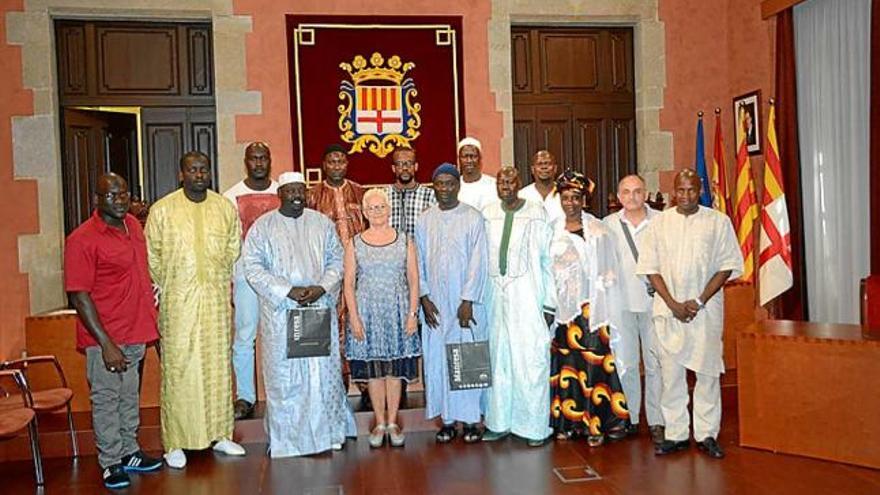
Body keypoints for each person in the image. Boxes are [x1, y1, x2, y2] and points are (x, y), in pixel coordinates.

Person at [242, 172, 356, 457]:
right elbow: (253, 268)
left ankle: (328, 433)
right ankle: (289, 440)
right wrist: (287, 291)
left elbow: (337, 259)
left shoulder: (321, 223)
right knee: (286, 377)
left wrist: (322, 287)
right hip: (282, 314)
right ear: (279, 194)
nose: (296, 196)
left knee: (321, 375)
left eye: (300, 190)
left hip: (317, 309)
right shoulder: (262, 227)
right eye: (290, 191)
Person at [145, 151, 245, 469]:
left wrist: (211, 278)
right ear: (181, 174)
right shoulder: (162, 211)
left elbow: (233, 247)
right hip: (178, 303)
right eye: (192, 169)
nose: (199, 174)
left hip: (215, 300)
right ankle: (175, 442)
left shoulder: (223, 207)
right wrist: (175, 284)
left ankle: (220, 435)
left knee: (216, 367)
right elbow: (153, 257)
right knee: (180, 370)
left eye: (203, 169)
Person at [636, 169, 743, 459]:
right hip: (668, 309)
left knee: (707, 373)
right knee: (671, 375)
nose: (685, 196)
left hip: (705, 311)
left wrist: (699, 300)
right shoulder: (658, 225)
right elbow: (650, 267)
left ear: (700, 190)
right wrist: (672, 303)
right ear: (673, 192)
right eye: (680, 190)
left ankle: (707, 433)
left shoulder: (718, 222)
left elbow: (727, 265)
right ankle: (676, 433)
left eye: (691, 190)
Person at [65, 173, 162, 489]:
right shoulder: (82, 239)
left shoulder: (133, 225)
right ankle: (110, 462)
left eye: (124, 194)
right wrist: (105, 343)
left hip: (135, 329)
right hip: (105, 336)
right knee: (106, 398)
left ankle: (129, 450)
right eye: (112, 195)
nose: (120, 200)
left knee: (128, 396)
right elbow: (79, 295)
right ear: (97, 199)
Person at [548, 170, 629, 447]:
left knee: (594, 365)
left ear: (584, 200)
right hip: (563, 312)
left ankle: (596, 424)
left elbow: (610, 270)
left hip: (592, 310)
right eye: (566, 197)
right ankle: (569, 425)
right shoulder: (552, 230)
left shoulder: (598, 230)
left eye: (576, 198)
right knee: (568, 366)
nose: (570, 203)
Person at [481, 167, 556, 447]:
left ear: (519, 183)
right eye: (501, 181)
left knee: (530, 361)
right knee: (498, 359)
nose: (506, 186)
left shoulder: (536, 212)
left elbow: (547, 261)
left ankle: (534, 427)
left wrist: (549, 303)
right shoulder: (488, 213)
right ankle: (498, 422)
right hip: (495, 297)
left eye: (511, 181)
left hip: (529, 297)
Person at [416, 163, 489, 444]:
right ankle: (446, 419)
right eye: (440, 184)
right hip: (434, 304)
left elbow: (478, 261)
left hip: (463, 305)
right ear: (433, 187)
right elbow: (418, 260)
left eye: (450, 183)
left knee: (466, 357)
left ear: (458, 185)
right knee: (437, 360)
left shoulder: (473, 217)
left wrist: (468, 299)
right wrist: (423, 297)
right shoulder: (424, 220)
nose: (445, 189)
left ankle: (470, 420)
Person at [344, 188, 421, 448]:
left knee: (394, 371)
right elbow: (348, 285)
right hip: (367, 314)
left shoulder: (405, 240)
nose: (377, 211)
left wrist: (412, 314)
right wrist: (354, 317)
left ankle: (392, 422)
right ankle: (378, 423)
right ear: (364, 212)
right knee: (376, 372)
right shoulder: (354, 243)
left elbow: (413, 280)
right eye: (371, 208)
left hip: (398, 313)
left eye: (381, 207)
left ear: (389, 210)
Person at [602, 174, 664, 444]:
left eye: (637, 191)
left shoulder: (662, 222)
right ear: (618, 197)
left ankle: (657, 420)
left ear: (646, 193)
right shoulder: (607, 225)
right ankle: (631, 418)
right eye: (626, 192)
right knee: (626, 364)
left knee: (655, 364)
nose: (632, 197)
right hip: (622, 305)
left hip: (655, 304)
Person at [223, 142, 280, 421]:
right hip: (245, 275)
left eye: (263, 158)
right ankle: (245, 396)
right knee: (245, 336)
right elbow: (228, 241)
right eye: (253, 158)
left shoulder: (282, 191)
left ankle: (279, 392)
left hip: (278, 278)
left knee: (279, 335)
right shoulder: (231, 196)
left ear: (269, 160)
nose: (258, 163)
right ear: (246, 162)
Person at [308, 143, 367, 393]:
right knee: (332, 326)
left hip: (359, 272)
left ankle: (364, 382)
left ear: (347, 164)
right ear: (324, 165)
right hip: (326, 274)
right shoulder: (312, 195)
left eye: (340, 161)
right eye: (331, 162)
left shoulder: (359, 192)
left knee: (359, 323)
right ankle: (335, 385)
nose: (336, 166)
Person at [385, 145, 436, 237]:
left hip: (420, 250)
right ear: (393, 168)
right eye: (400, 163)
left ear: (416, 166)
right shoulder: (384, 196)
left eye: (409, 163)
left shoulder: (430, 196)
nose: (405, 168)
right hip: (389, 250)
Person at [518, 150, 564, 223]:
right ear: (533, 169)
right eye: (539, 164)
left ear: (555, 168)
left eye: (548, 163)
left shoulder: (564, 194)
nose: (544, 167)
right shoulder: (522, 196)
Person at [456, 137, 497, 211]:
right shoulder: (454, 186)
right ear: (459, 159)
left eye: (473, 156)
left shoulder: (493, 185)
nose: (469, 161)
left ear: (480, 158)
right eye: (465, 156)